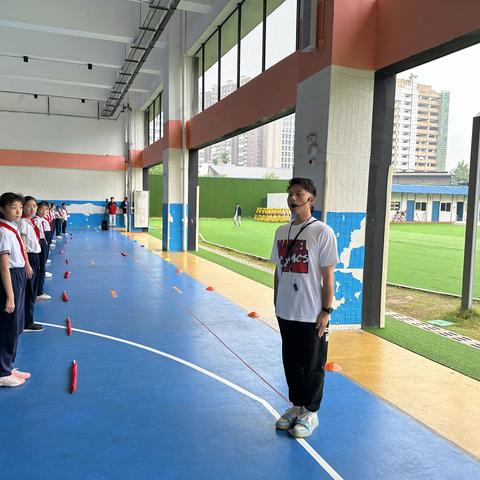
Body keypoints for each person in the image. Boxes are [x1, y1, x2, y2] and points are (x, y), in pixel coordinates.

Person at [270, 177, 338, 438]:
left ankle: (311, 411)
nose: (293, 198)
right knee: (291, 362)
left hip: (311, 312)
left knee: (312, 364)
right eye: (290, 194)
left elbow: (328, 274)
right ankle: (297, 405)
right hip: (286, 310)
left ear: (311, 199)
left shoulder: (322, 232)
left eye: (299, 194)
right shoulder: (281, 232)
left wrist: (326, 310)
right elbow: (278, 271)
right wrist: (277, 301)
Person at [0, 192, 30, 387]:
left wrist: (26, 264)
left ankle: (8, 365)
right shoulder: (2, 231)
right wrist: (10, 297)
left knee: (16, 326)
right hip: (10, 278)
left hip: (18, 274)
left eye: (20, 207)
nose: (18, 211)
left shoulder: (12, 227)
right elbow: (3, 266)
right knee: (8, 327)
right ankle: (2, 373)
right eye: (13, 207)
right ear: (2, 209)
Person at [17, 196, 44, 332]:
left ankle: (27, 319)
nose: (32, 208)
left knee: (31, 290)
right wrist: (27, 264)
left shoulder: (30, 222)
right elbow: (22, 245)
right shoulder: (22, 222)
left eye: (34, 206)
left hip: (35, 257)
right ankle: (27, 321)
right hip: (29, 258)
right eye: (28, 206)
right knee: (29, 291)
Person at [34, 202, 52, 300]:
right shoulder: (36, 221)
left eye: (46, 209)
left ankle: (39, 290)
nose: (44, 211)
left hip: (44, 241)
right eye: (42, 209)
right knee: (40, 268)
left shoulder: (43, 220)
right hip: (40, 243)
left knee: (42, 266)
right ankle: (39, 292)